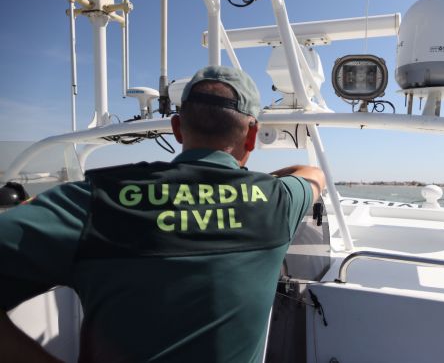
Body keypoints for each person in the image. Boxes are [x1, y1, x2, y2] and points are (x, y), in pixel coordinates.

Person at [0, 65, 326, 362]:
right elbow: (313, 175)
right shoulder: (277, 201)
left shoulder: (95, 202)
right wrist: (253, 185)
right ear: (252, 135)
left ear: (178, 128)